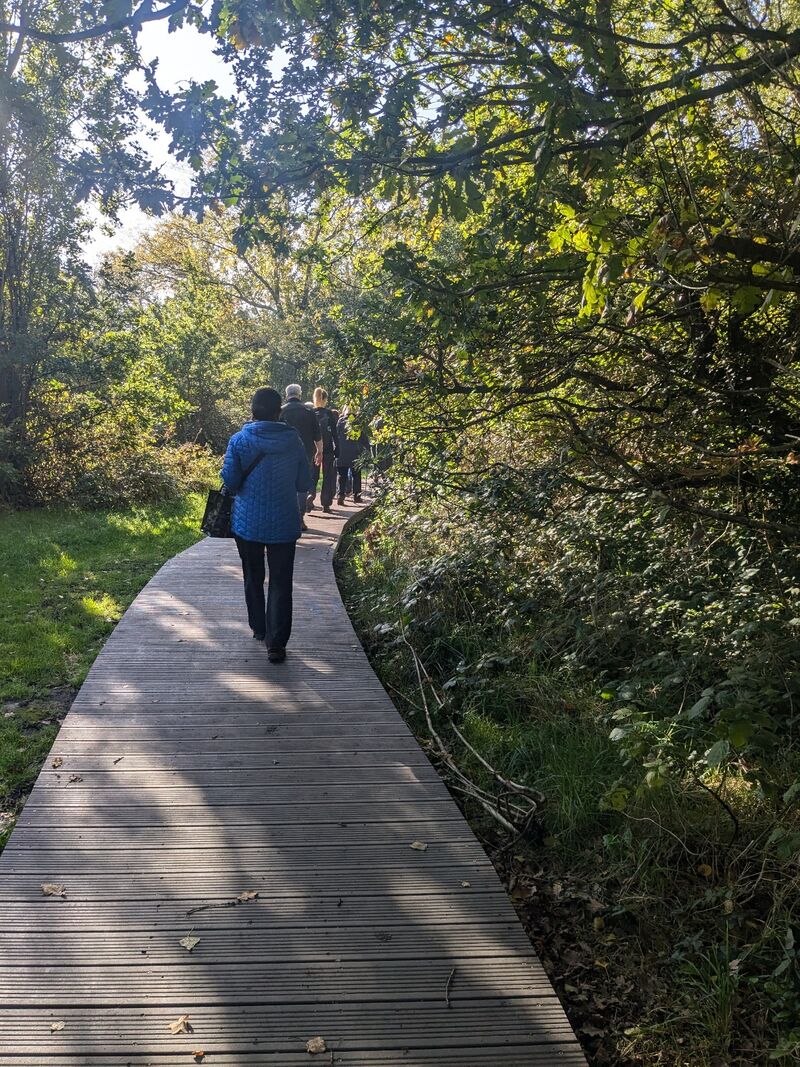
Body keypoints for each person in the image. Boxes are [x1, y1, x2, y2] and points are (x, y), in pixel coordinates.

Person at [221, 387, 311, 663]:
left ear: (253, 410)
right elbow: (304, 483)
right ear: (278, 412)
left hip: (247, 524)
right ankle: (277, 644)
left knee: (252, 575)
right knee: (281, 582)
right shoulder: (293, 441)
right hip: (284, 522)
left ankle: (259, 628)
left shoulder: (239, 440)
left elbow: (231, 481)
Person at [280, 384, 322, 523]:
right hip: (306, 453)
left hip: (284, 454)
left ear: (287, 395)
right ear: (300, 394)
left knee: (286, 484)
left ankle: (286, 515)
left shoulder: (281, 412)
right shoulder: (309, 411)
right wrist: (319, 451)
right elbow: (318, 435)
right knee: (301, 485)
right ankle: (300, 517)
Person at [310, 387, 339, 513]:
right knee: (328, 476)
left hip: (313, 449)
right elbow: (335, 434)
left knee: (313, 475)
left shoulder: (310, 412)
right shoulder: (329, 414)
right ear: (325, 399)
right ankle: (326, 504)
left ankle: (309, 498)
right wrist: (338, 448)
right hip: (327, 449)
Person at [336, 407, 370, 506]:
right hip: (355, 452)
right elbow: (364, 438)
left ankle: (340, 495)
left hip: (342, 452)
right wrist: (368, 449)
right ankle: (357, 496)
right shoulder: (358, 422)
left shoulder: (340, 421)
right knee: (356, 475)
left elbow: (336, 435)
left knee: (342, 475)